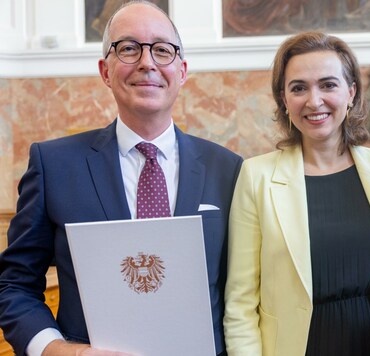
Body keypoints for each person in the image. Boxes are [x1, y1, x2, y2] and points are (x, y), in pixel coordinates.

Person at [0, 2, 242, 355]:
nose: (147, 63)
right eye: (128, 48)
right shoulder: (54, 165)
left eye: (162, 50)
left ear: (183, 71)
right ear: (105, 71)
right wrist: (59, 351)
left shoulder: (229, 169)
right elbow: (15, 285)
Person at [223, 31, 370, 356]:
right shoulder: (256, 177)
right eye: (299, 88)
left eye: (328, 84)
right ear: (283, 99)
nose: (314, 100)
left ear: (351, 92)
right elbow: (240, 304)